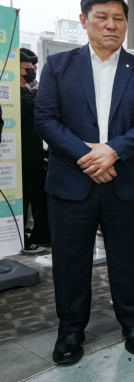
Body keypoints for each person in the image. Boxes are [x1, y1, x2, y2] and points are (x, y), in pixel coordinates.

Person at [35, 0, 134, 364]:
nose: (111, 25)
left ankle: (133, 322)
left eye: (119, 18)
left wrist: (113, 151)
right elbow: (45, 119)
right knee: (71, 261)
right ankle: (70, 330)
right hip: (72, 183)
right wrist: (87, 155)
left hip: (126, 181)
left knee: (128, 258)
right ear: (84, 20)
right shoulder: (58, 66)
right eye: (102, 17)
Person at [19, 48, 51, 253]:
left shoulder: (30, 92)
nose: (33, 70)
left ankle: (40, 236)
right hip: (22, 159)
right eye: (29, 66)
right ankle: (21, 240)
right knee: (23, 201)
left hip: (37, 157)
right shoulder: (15, 95)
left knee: (41, 199)